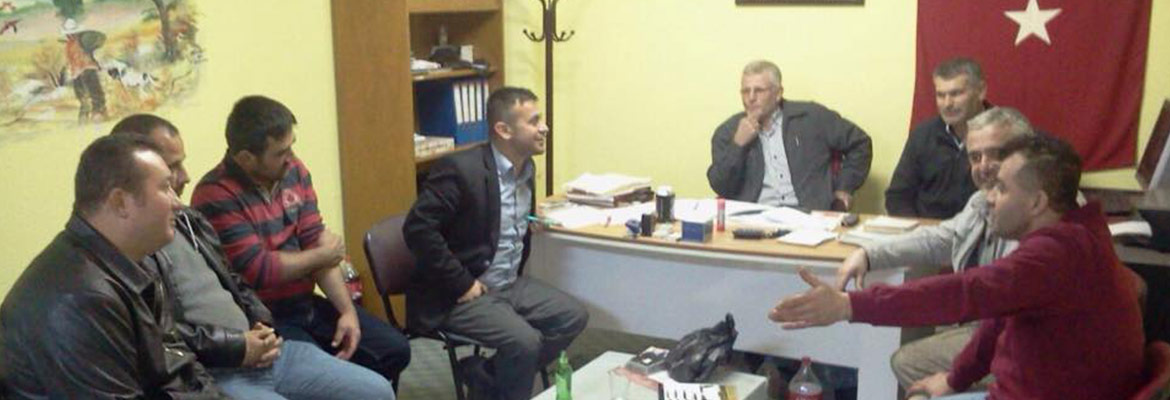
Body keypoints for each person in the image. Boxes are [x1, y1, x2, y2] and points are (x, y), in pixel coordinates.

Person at [772, 135, 1146, 399]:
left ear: (1036, 203)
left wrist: (849, 305)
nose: (989, 198)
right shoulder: (1076, 236)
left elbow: (962, 293)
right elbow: (998, 317)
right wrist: (955, 378)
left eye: (1001, 188)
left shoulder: (1055, 255)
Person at [112, 114, 396, 399]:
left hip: (265, 349)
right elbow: (162, 336)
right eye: (172, 168)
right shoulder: (129, 248)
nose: (185, 176)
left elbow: (235, 281)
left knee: (377, 391)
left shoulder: (189, 220)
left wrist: (262, 326)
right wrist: (239, 346)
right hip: (214, 370)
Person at [191, 96, 411, 386]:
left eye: (291, 146)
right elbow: (260, 269)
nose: (291, 157)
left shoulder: (294, 171)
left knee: (394, 350)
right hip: (263, 318)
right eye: (281, 152)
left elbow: (313, 239)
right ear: (245, 158)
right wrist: (323, 255)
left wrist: (347, 312)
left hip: (304, 303)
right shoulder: (214, 194)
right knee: (323, 377)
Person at [0, 135, 225, 398]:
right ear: (120, 202)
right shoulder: (79, 298)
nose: (177, 202)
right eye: (165, 187)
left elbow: (180, 366)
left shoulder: (133, 260)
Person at [403, 87, 589, 400]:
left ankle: (486, 376)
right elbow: (418, 229)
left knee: (572, 316)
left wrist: (527, 221)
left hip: (507, 282)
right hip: (458, 293)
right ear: (504, 130)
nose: (544, 127)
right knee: (524, 342)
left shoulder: (525, 168)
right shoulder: (461, 170)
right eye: (534, 121)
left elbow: (491, 219)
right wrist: (461, 282)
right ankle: (502, 386)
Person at [836, 107, 1031, 389]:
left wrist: (853, 306)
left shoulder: (1039, 211)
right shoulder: (981, 201)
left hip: (1022, 341)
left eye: (997, 154)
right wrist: (868, 253)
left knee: (909, 362)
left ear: (1028, 154)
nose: (984, 166)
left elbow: (984, 298)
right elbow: (940, 238)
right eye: (975, 157)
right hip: (988, 327)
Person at [707, 60, 872, 211]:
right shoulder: (728, 131)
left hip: (810, 217)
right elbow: (721, 186)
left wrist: (844, 188)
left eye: (759, 90)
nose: (751, 98)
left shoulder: (811, 117)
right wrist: (738, 145)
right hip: (754, 218)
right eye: (745, 91)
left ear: (778, 93)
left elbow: (860, 143)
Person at [885, 58, 988, 219]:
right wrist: (918, 229)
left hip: (982, 229)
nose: (947, 104)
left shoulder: (1005, 134)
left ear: (980, 91)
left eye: (956, 94)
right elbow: (897, 196)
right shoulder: (923, 134)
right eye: (941, 95)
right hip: (927, 229)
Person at [60, 18, 107, 122]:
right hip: (83, 71)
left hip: (82, 72)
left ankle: (92, 115)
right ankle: (94, 115)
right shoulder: (78, 42)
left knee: (89, 95)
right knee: (90, 95)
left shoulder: (77, 43)